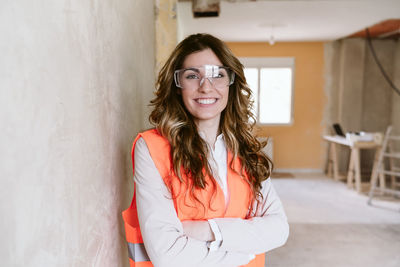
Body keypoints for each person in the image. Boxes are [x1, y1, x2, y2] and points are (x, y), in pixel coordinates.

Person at [123, 33, 289, 267]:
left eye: (217, 75)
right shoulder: (151, 148)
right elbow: (167, 253)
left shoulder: (247, 151)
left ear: (231, 82)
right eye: (192, 75)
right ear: (177, 86)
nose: (206, 86)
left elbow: (278, 229)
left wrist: (209, 230)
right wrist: (242, 252)